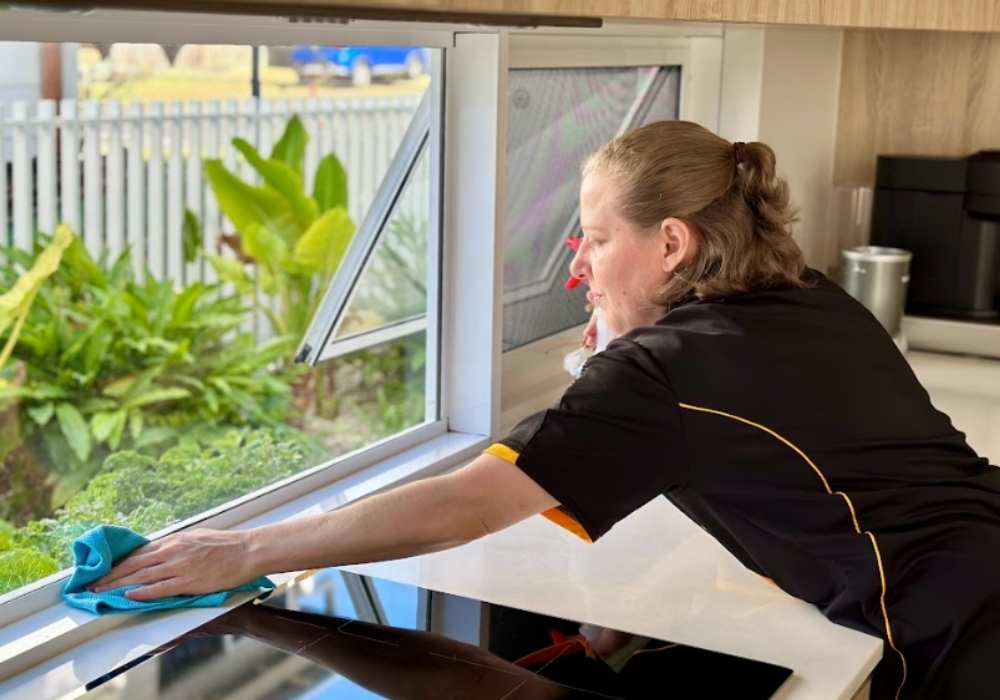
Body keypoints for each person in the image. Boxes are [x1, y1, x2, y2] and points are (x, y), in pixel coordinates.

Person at [88, 121, 1000, 700]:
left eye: (596, 238)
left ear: (672, 243)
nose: (580, 264)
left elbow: (469, 506)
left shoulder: (667, 369)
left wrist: (245, 550)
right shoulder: (805, 295)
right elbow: (775, 453)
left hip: (953, 631)